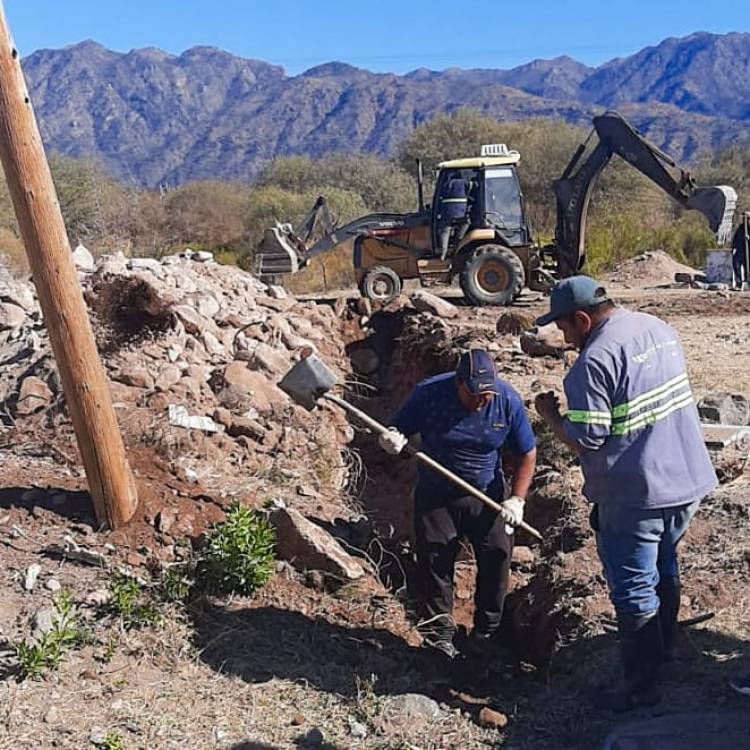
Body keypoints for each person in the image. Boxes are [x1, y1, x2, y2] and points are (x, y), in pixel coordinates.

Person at [533, 276, 716, 712]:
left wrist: (551, 416)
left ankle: (642, 689)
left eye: (564, 328)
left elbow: (587, 438)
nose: (563, 337)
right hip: (686, 479)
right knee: (664, 563)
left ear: (582, 318)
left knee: (634, 587)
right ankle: (665, 652)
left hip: (636, 494)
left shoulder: (592, 363)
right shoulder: (656, 327)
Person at [379, 349, 537, 658]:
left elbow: (526, 454)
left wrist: (517, 499)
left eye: (487, 393)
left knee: (497, 555)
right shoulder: (429, 394)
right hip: (437, 494)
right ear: (458, 383)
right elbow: (397, 428)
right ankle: (440, 633)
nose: (483, 400)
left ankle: (487, 631)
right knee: (436, 559)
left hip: (486, 494)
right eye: (475, 394)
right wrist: (392, 439)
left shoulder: (506, 400)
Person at [437, 171, 469, 261]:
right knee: (466, 224)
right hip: (462, 213)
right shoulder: (464, 183)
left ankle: (443, 254)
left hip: (447, 213)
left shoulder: (446, 184)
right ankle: (458, 245)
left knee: (445, 230)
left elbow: (441, 195)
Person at [731, 215, 749, 289]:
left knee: (748, 268)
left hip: (748, 252)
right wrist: (733, 247)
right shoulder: (741, 228)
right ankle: (739, 283)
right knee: (736, 263)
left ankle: (748, 283)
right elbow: (736, 238)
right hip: (740, 251)